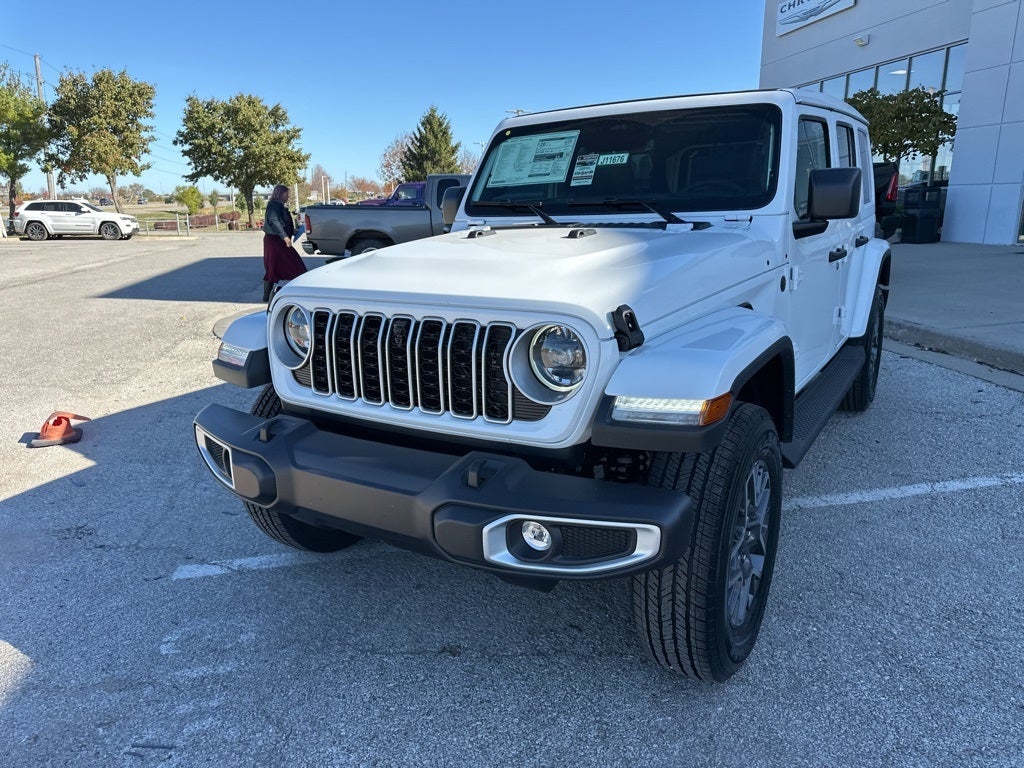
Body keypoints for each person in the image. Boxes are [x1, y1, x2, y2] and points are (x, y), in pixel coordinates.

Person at [262, 184, 307, 301]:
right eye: (287, 194)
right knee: (274, 267)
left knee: (292, 265)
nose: (288, 196)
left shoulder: (280, 206)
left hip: (280, 240)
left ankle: (298, 291)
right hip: (274, 241)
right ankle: (267, 296)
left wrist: (292, 231)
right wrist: (285, 237)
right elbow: (273, 220)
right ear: (280, 194)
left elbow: (282, 222)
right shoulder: (274, 205)